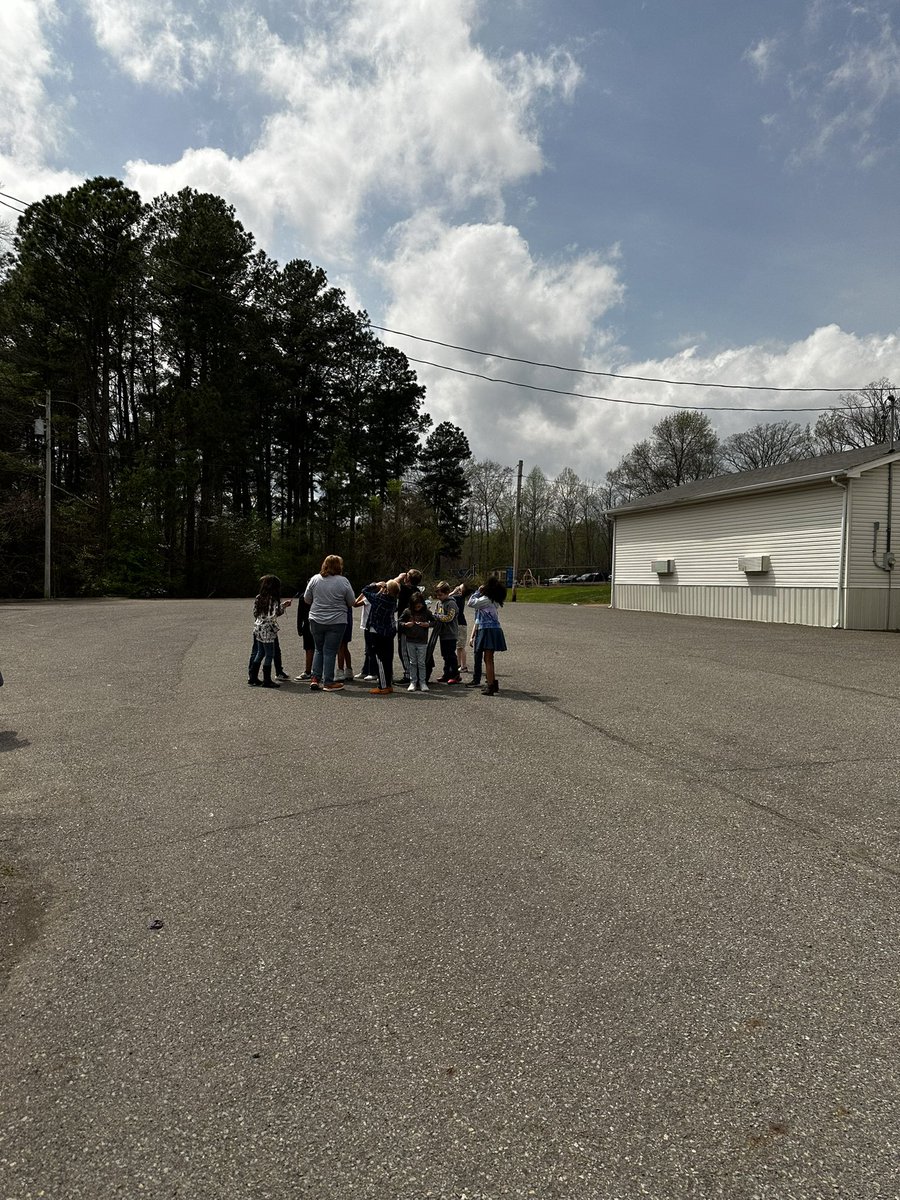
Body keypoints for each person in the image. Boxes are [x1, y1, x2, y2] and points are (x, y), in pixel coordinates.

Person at [304, 555, 356, 691]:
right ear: (339, 566)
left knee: (318, 649)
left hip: (316, 619)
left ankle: (315, 678)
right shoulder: (343, 581)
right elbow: (352, 602)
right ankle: (328, 681)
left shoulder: (315, 579)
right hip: (337, 621)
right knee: (330, 651)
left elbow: (307, 599)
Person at [248, 575, 292, 689]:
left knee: (260, 652)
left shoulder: (259, 597)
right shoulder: (273, 599)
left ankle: (253, 677)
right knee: (269, 654)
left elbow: (255, 612)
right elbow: (276, 613)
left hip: (258, 627)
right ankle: (267, 680)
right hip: (268, 629)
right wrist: (284, 606)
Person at [467, 576, 508, 695]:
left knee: (488, 659)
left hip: (487, 630)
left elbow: (470, 603)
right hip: (495, 629)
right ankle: (493, 683)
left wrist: (477, 591)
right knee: (489, 658)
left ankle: (490, 686)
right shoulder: (494, 600)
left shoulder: (486, 599)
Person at [361, 579, 400, 694]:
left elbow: (364, 590)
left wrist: (376, 585)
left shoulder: (379, 598)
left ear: (387, 590)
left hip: (377, 632)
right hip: (388, 632)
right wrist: (384, 589)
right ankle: (388, 683)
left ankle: (382, 686)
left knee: (379, 659)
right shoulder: (394, 601)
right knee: (388, 658)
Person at [398, 590, 436, 691]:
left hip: (422, 641)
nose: (417, 608)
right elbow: (399, 621)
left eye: (419, 606)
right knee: (412, 662)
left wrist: (427, 624)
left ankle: (422, 682)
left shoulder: (426, 612)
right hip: (410, 640)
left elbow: (434, 621)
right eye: (415, 606)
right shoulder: (407, 611)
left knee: (422, 662)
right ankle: (413, 681)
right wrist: (405, 624)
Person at [391, 568, 423, 683]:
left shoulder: (405, 589)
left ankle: (408, 674)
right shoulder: (417, 591)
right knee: (414, 651)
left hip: (405, 625)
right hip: (415, 624)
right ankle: (415, 673)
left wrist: (400, 577)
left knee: (404, 650)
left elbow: (391, 585)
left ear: (408, 578)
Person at [432, 580, 462, 683]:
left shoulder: (451, 603)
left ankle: (455, 674)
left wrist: (437, 617)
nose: (439, 597)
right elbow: (436, 614)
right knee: (445, 655)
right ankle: (447, 673)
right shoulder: (438, 603)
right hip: (442, 634)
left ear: (447, 593)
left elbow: (449, 617)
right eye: (437, 595)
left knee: (450, 655)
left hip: (451, 634)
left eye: (440, 595)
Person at [293, 592, 314, 681]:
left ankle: (308, 671)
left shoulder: (304, 596)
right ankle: (321, 671)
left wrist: (299, 627)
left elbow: (300, 613)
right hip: (322, 621)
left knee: (309, 648)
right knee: (321, 649)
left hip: (307, 623)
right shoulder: (322, 593)